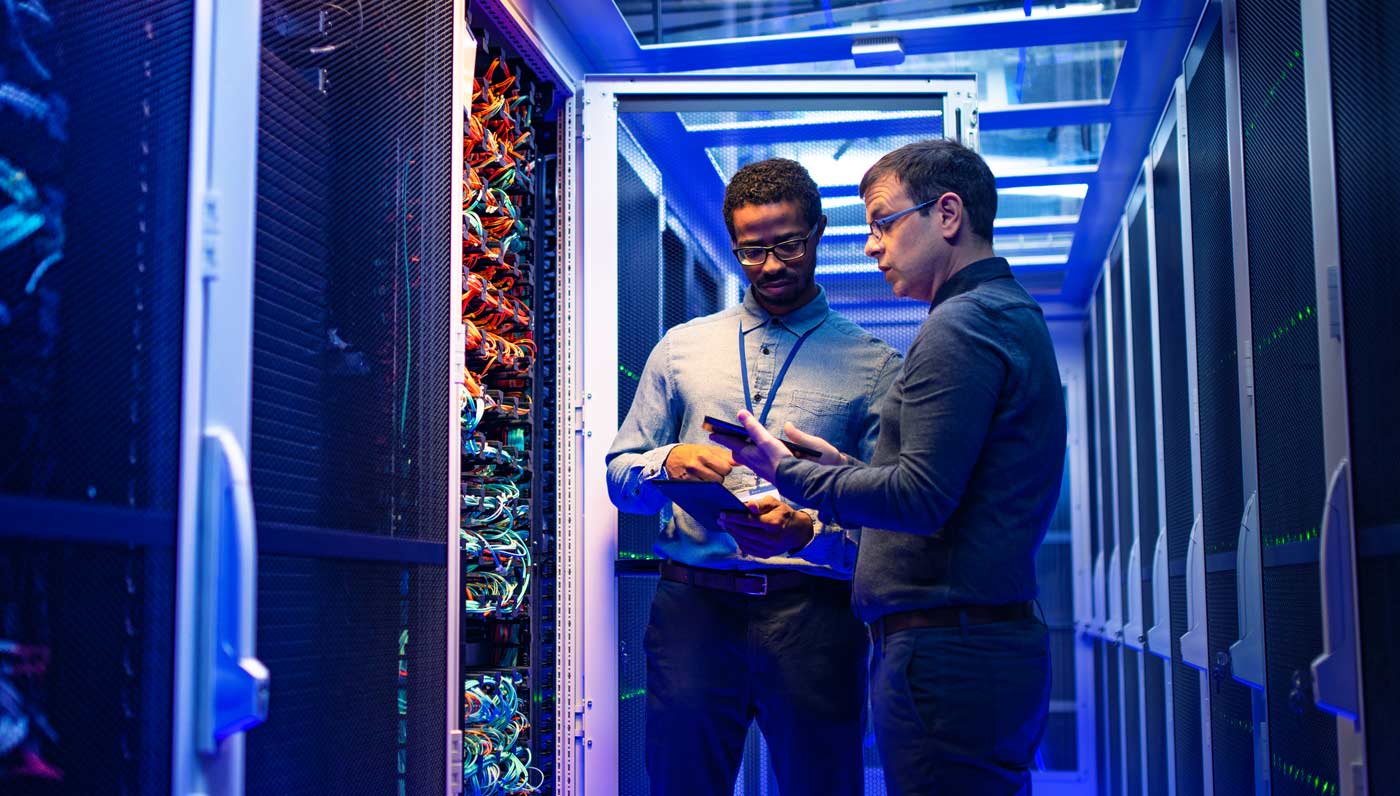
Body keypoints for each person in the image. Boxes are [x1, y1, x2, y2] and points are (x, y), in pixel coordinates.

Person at [717, 139, 1067, 796]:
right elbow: (949, 487)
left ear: (948, 214)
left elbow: (919, 498)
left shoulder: (960, 325)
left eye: (882, 222)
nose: (872, 246)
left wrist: (787, 471)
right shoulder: (1006, 314)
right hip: (974, 650)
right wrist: (848, 466)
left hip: (948, 657)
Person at [606, 157, 901, 796]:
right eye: (750, 251)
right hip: (694, 609)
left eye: (787, 245)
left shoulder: (876, 366)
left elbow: (893, 520)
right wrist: (668, 462)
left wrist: (809, 531)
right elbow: (619, 475)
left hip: (815, 616)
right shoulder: (680, 347)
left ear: (819, 232)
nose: (769, 265)